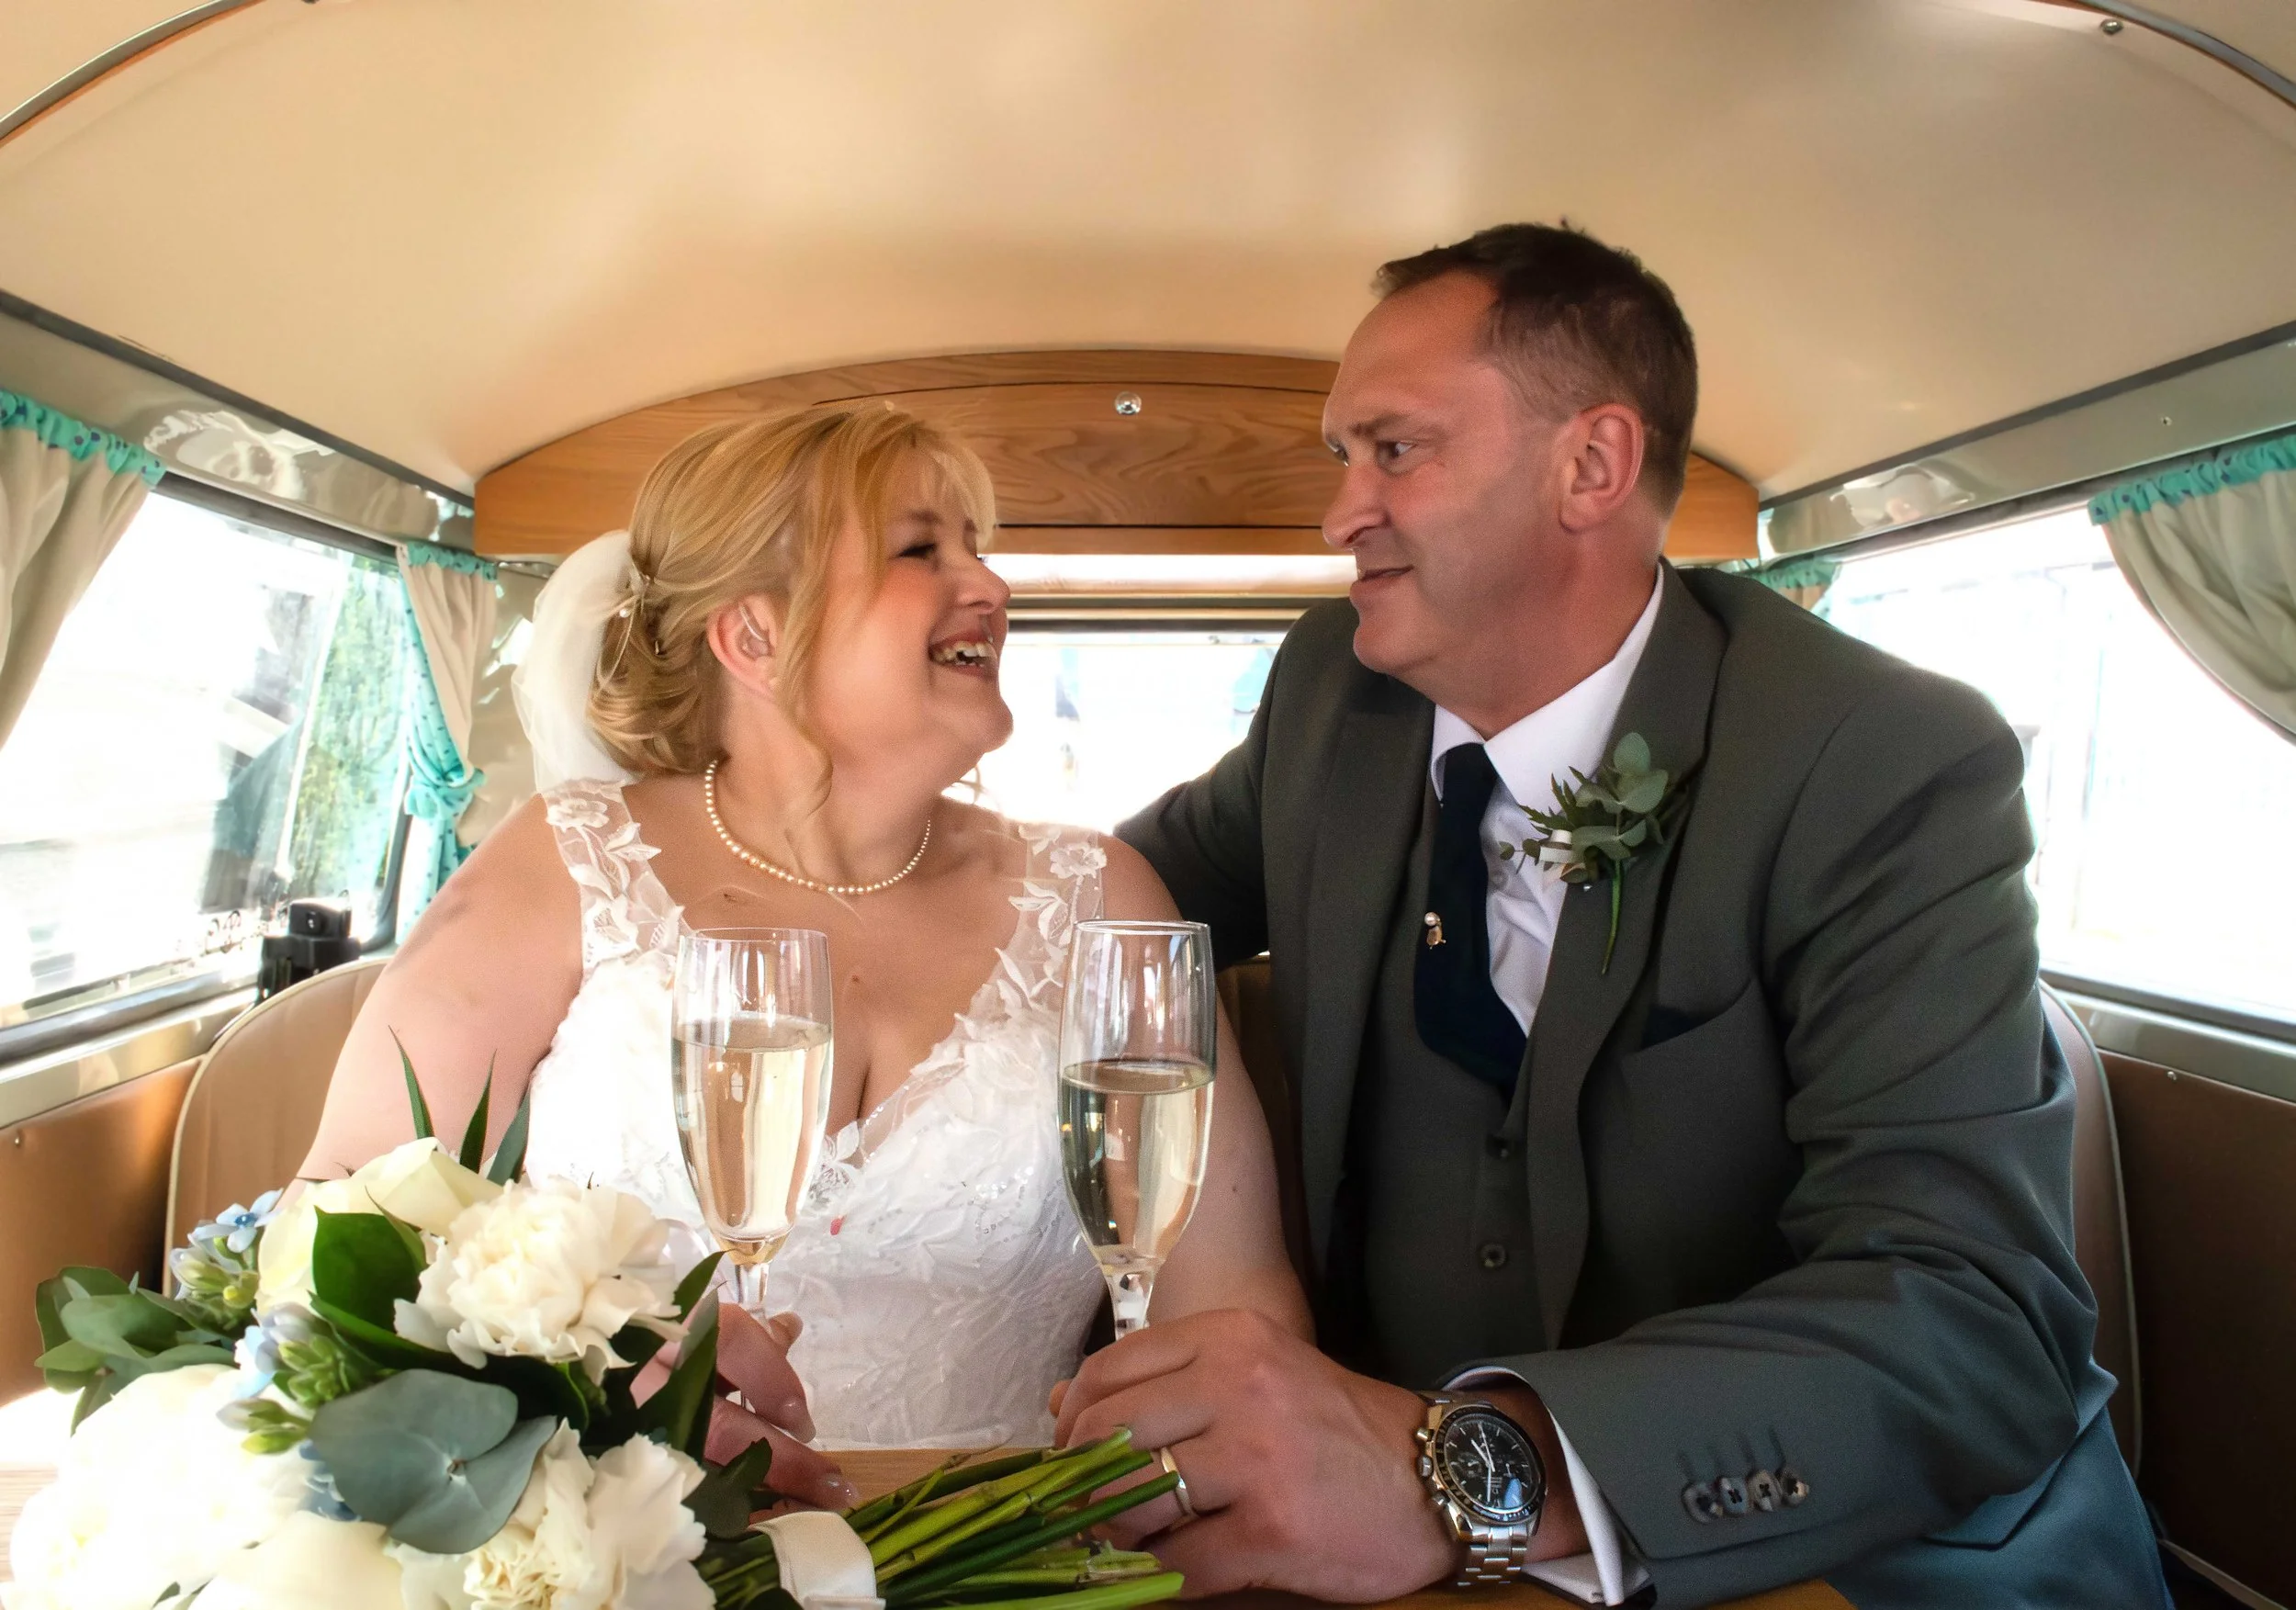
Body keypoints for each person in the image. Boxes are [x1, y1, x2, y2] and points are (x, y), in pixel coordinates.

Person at [1067, 225, 2168, 1607]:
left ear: (1591, 464)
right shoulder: (1327, 707)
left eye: (1393, 450)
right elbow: (1081, 919)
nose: (1340, 510)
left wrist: (1466, 1466)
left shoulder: (1883, 761)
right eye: (1341, 457)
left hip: (1857, 1557)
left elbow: (1973, 1315)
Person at [298, 404, 1310, 1503]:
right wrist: (564, 1399)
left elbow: (1237, 1314)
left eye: (978, 547)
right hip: (634, 1550)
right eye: (922, 549)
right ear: (754, 636)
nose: (990, 589)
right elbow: (330, 1248)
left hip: (1006, 1552)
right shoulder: (563, 864)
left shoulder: (1100, 896)